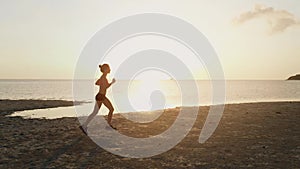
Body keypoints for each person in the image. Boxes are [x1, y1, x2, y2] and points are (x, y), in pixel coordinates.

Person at [80, 64, 116, 134]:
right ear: (105, 70)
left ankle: (84, 125)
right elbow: (106, 87)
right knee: (111, 109)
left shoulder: (103, 77)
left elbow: (96, 83)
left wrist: (101, 83)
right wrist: (112, 82)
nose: (110, 70)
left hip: (100, 96)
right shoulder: (103, 77)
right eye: (108, 68)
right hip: (101, 97)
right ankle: (107, 126)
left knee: (95, 112)